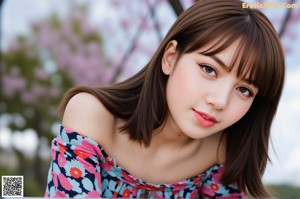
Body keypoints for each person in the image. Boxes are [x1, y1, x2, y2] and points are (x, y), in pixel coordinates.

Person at [44, 0, 285, 198]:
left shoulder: (220, 152)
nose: (220, 101)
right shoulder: (92, 115)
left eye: (244, 90)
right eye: (209, 69)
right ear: (170, 58)